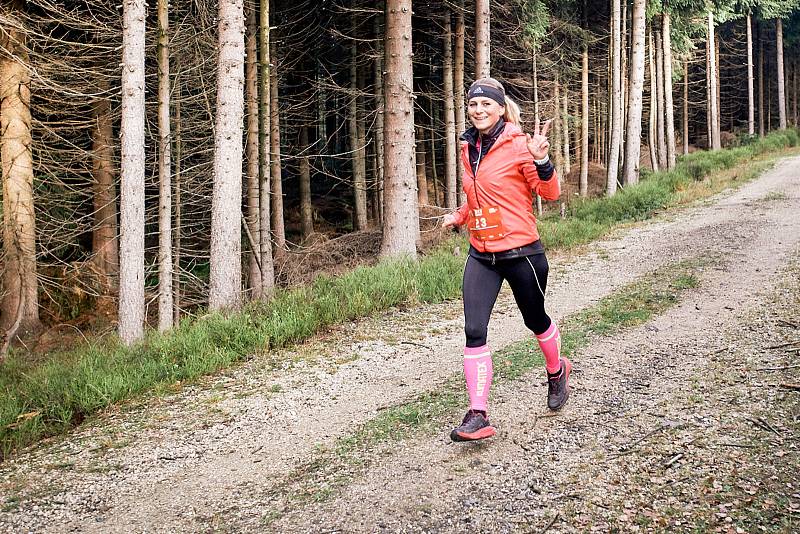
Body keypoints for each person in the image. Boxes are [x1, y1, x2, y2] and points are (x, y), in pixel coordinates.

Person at [441, 77, 570, 442]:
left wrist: (541, 158)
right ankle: (477, 414)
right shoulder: (468, 147)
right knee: (474, 330)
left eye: (486, 104)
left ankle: (557, 370)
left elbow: (551, 191)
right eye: (473, 104)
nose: (478, 110)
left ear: (500, 108)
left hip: (521, 253)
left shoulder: (518, 146)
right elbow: (477, 194)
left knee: (535, 318)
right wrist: (461, 216)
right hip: (482, 255)